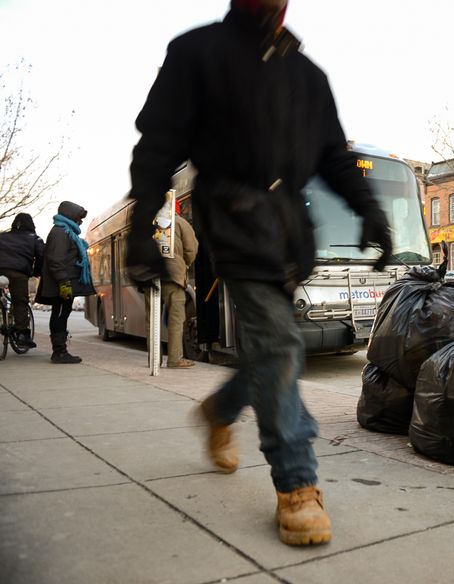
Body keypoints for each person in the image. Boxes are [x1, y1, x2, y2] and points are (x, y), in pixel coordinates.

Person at [125, 0, 392, 546]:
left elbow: (334, 157)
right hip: (235, 222)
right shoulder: (197, 52)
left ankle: (219, 409)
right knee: (277, 346)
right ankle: (296, 481)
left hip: (292, 236)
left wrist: (370, 210)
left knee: (276, 350)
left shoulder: (306, 74)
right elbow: (156, 147)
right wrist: (140, 229)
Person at [35, 202, 96, 364]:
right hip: (61, 283)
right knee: (60, 314)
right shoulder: (60, 232)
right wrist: (63, 282)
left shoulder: (65, 231)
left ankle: (60, 350)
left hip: (64, 282)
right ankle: (59, 352)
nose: (80, 222)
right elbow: (55, 260)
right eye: (79, 218)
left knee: (62, 313)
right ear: (71, 216)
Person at [145, 204, 199, 368]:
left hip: (149, 275)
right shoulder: (179, 222)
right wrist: (183, 264)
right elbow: (191, 248)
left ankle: (154, 359)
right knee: (176, 318)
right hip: (172, 275)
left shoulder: (147, 222)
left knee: (151, 319)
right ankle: (175, 359)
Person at [0, 213, 45, 348]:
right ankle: (22, 334)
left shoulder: (2, 236)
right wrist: (36, 272)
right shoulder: (35, 239)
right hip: (18, 272)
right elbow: (41, 257)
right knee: (20, 302)